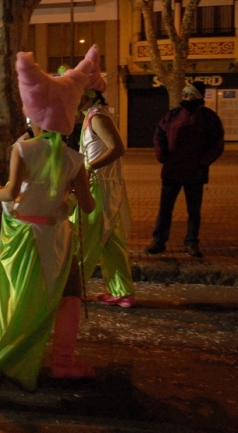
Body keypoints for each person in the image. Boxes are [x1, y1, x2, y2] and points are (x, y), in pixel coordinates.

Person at [0, 51, 96, 391]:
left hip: (24, 238)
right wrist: (68, 199)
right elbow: (86, 207)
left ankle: (5, 356)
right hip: (58, 236)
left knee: (21, 299)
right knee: (67, 295)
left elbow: (10, 191)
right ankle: (63, 361)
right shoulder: (74, 159)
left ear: (36, 116)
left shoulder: (23, 149)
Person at [70, 45, 136, 308]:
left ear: (85, 95)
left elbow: (117, 148)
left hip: (98, 188)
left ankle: (72, 291)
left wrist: (87, 168)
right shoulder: (91, 117)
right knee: (111, 242)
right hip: (106, 188)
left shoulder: (97, 117)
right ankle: (122, 292)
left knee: (84, 238)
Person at [145, 81, 225, 258]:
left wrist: (202, 162)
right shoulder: (172, 115)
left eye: (192, 93)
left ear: (199, 96)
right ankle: (159, 240)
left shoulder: (209, 117)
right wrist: (162, 155)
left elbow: (217, 144)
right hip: (172, 170)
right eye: (185, 93)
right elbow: (159, 135)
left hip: (195, 172)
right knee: (165, 208)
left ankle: (191, 242)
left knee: (194, 210)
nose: (188, 96)